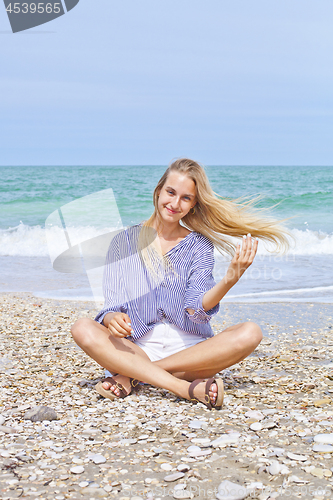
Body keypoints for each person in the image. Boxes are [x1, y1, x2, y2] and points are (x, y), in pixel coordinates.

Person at [71, 158, 289, 410]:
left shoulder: (199, 245)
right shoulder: (124, 242)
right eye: (171, 192)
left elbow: (197, 309)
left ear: (194, 204)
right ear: (158, 191)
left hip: (191, 352)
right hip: (136, 349)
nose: (175, 204)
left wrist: (232, 278)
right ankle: (184, 388)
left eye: (186, 198)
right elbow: (111, 305)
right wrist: (111, 319)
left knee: (251, 332)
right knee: (83, 328)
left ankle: (134, 376)